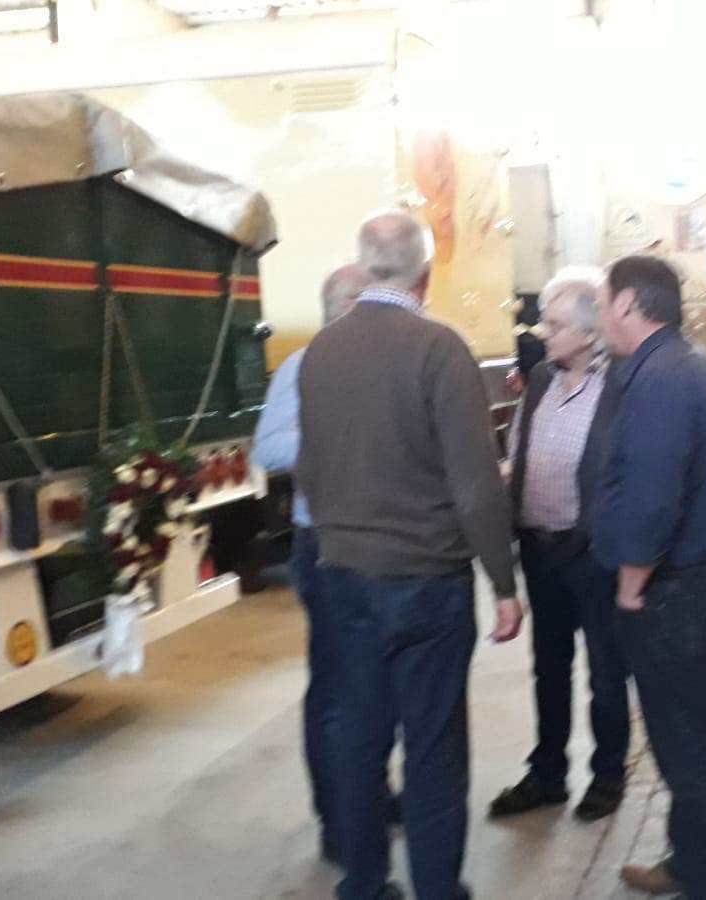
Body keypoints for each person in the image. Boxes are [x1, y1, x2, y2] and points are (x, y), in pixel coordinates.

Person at [296, 211, 525, 900]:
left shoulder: (320, 352)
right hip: (427, 581)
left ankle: (364, 883)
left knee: (360, 737)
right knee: (433, 746)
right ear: (425, 275)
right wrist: (503, 582)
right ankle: (437, 888)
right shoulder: (439, 349)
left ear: (364, 267)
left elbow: (309, 470)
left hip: (343, 577)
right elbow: (475, 483)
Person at [592, 256, 706, 899]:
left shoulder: (660, 380)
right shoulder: (684, 364)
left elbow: (651, 498)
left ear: (627, 304)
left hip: (676, 591)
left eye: (602, 303)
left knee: (688, 748)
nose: (599, 316)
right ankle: (692, 863)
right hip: (703, 581)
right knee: (685, 738)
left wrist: (631, 586)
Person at [253, 263, 408, 863]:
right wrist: (346, 437)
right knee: (338, 689)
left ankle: (372, 796)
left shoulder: (383, 366)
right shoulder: (303, 366)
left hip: (383, 543)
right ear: (345, 306)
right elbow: (270, 449)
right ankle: (339, 823)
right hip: (325, 547)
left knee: (378, 683)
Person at [489, 268, 630, 823]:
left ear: (591, 332)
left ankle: (608, 775)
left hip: (593, 552)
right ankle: (547, 774)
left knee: (606, 671)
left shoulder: (619, 384)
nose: (542, 333)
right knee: (549, 667)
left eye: (554, 324)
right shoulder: (543, 379)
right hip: (540, 549)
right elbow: (520, 450)